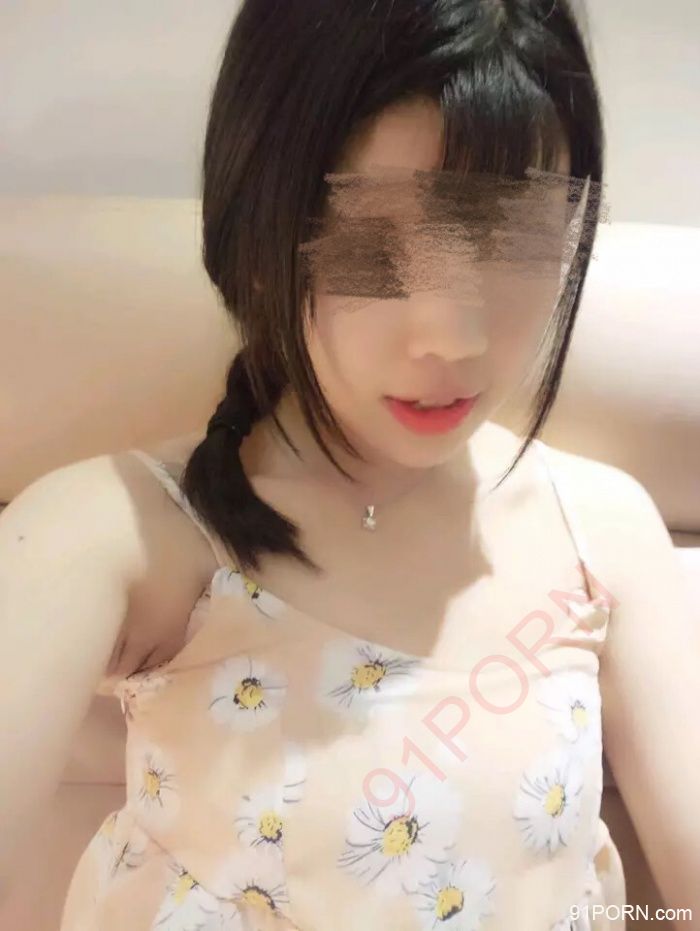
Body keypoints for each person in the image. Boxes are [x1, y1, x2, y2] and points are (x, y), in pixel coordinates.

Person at [1, 1, 697, 929]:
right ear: (259, 233)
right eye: (373, 247)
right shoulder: (115, 531)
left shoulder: (603, 533)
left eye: (515, 240)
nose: (454, 336)